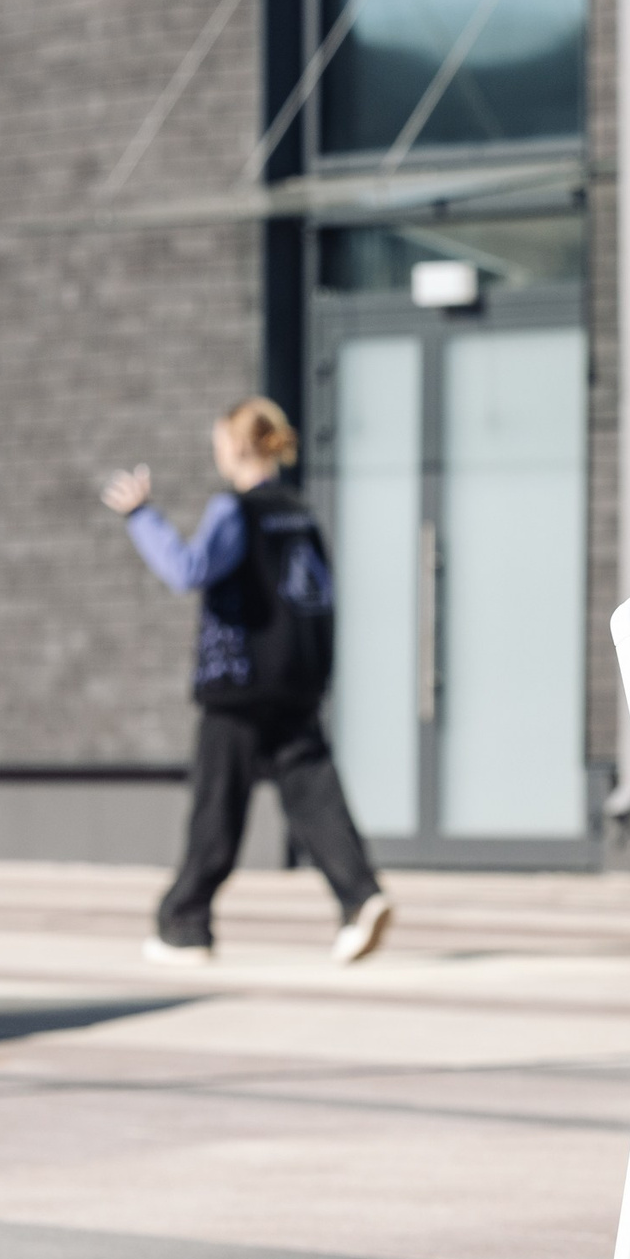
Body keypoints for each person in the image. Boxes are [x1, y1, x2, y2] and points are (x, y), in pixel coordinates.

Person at [102, 398, 392, 967]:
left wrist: (142, 516)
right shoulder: (299, 512)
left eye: (218, 443)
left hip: (238, 685)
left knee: (217, 805)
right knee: (313, 794)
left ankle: (184, 923)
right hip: (297, 682)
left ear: (236, 446)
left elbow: (188, 570)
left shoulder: (235, 510)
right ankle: (361, 897)